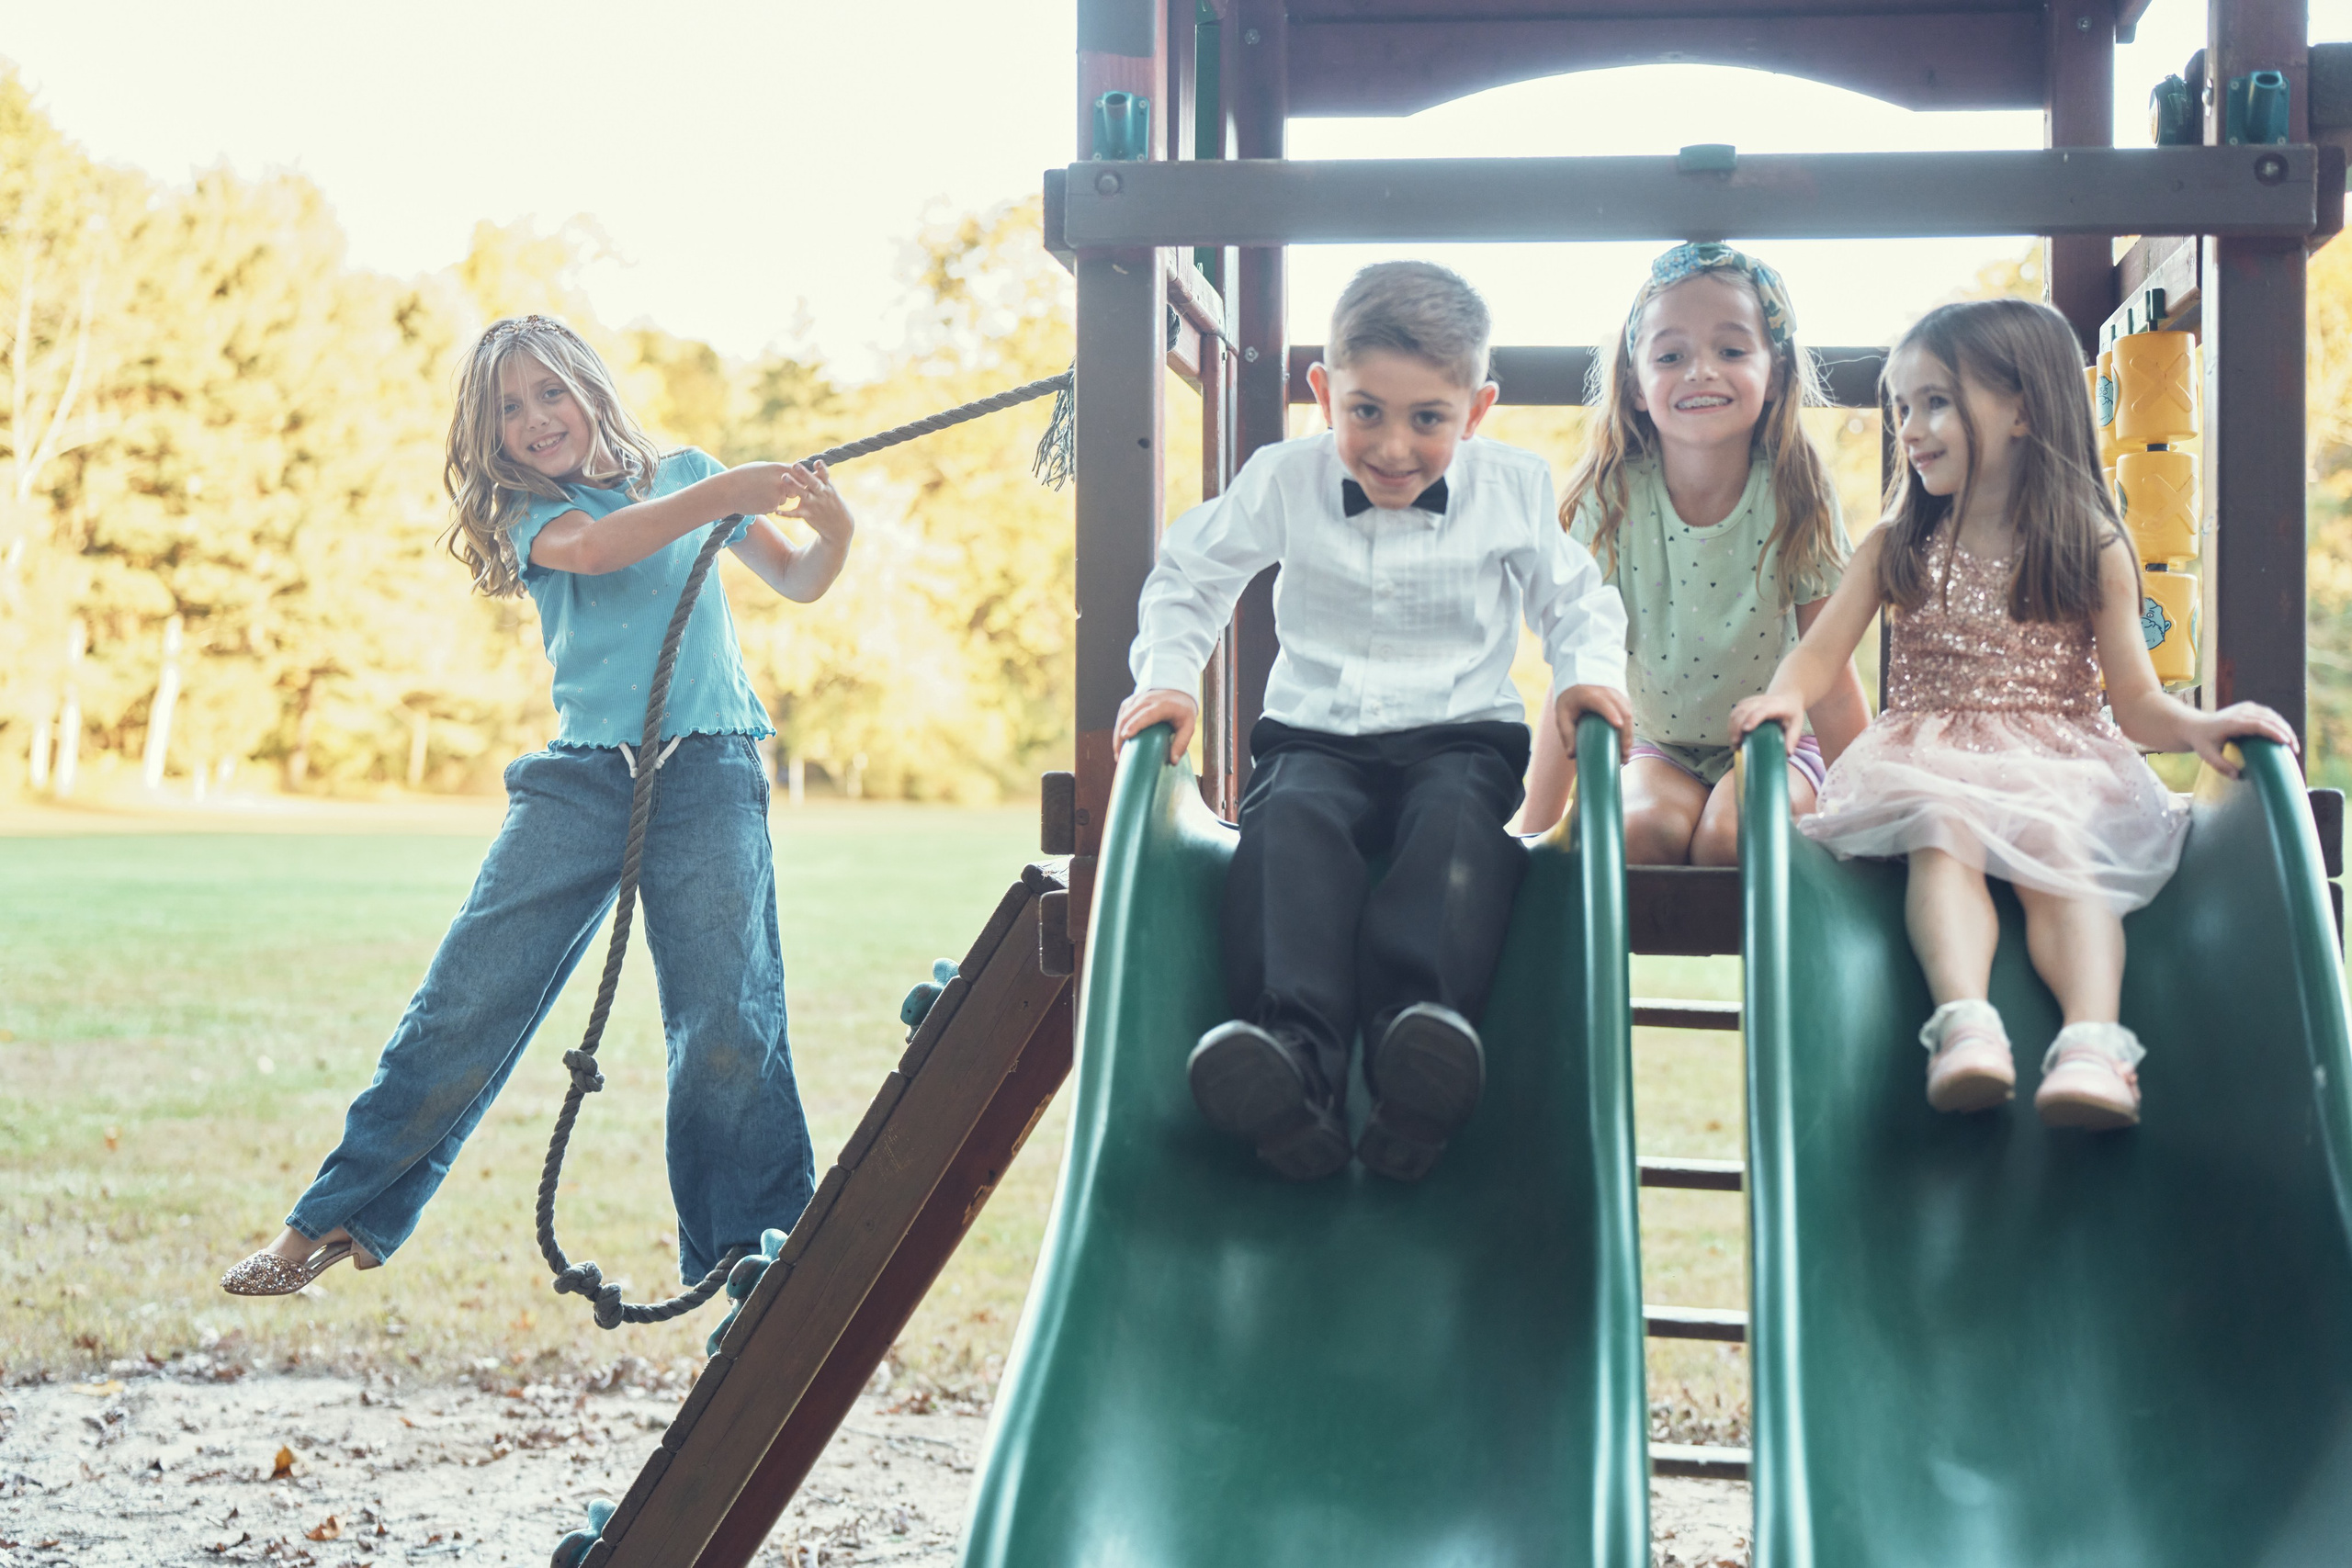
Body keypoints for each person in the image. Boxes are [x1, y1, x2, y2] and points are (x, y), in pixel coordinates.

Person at [220, 315, 854, 1296]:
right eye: (509, 409)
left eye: (548, 391)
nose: (534, 419)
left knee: (728, 1014)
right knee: (470, 992)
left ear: (588, 386)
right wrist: (727, 491)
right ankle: (332, 1218)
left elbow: (801, 578)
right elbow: (601, 551)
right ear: (494, 436)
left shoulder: (686, 468)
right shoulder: (534, 514)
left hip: (710, 772)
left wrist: (834, 527)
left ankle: (752, 1254)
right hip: (584, 781)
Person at [1114, 261, 1631, 1183]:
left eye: (1427, 418)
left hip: (1459, 732)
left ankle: (1417, 1051)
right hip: (1315, 733)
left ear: (1475, 410)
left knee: (1456, 840)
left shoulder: (1509, 486)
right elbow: (1191, 574)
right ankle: (1289, 1068)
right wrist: (1170, 679)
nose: (1393, 447)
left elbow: (1577, 601)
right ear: (1323, 392)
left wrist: (1587, 680)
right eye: (1365, 412)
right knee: (1286, 837)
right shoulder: (1284, 478)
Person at [1729, 297, 2295, 1129]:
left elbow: (2134, 702)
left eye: (1937, 402)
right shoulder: (1896, 545)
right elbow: (1822, 650)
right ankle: (1966, 1027)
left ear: (2025, 408)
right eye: (1902, 407)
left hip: (2056, 757)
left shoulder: (2089, 543)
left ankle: (2093, 1044)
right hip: (1933, 754)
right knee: (1940, 831)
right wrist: (1785, 694)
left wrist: (2196, 726)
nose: (1911, 429)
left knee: (2062, 850)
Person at [1522, 242, 1870, 858]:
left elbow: (1832, 677)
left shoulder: (1795, 490)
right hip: (1660, 746)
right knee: (1638, 830)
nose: (1700, 370)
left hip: (1780, 745)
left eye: (1731, 350)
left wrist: (1873, 811)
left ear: (1777, 375)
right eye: (1671, 354)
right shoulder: (1610, 502)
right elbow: (1573, 673)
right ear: (1635, 385)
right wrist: (1532, 825)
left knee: (1731, 835)